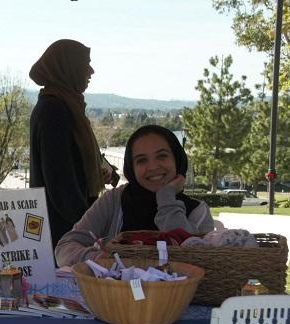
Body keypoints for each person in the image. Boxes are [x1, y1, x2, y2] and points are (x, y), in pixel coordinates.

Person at [54, 125, 215, 266]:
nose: (152, 166)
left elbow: (193, 262)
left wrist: (166, 197)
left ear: (177, 159)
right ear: (131, 167)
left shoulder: (197, 212)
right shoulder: (115, 200)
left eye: (162, 156)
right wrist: (100, 259)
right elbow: (64, 248)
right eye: (141, 160)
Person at [29, 39, 113, 248]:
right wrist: (87, 227)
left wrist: (102, 169)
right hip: (65, 232)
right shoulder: (54, 110)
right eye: (86, 64)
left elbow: (75, 158)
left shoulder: (64, 104)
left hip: (67, 227)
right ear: (68, 67)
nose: (91, 71)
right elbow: (60, 183)